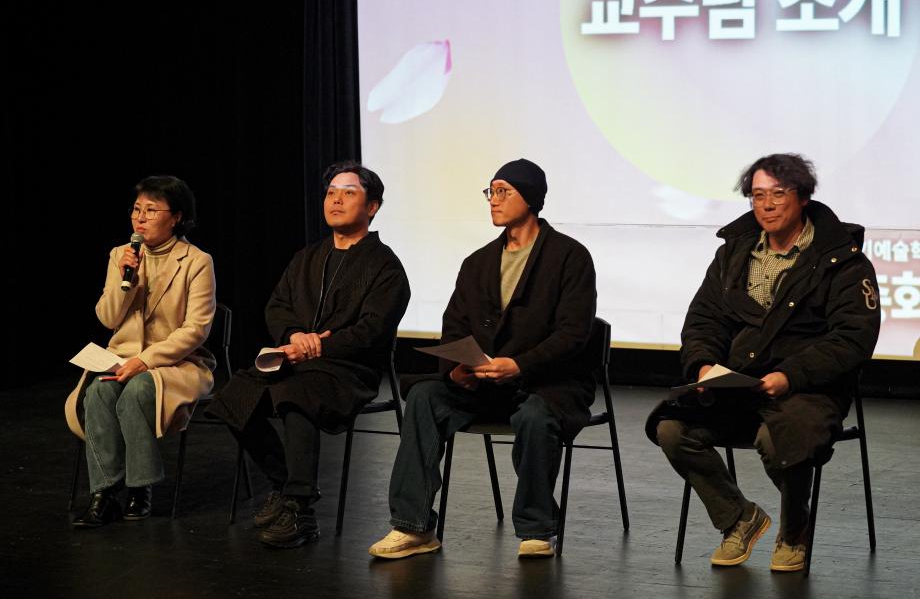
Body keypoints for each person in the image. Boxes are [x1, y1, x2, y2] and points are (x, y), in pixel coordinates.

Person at [646, 153, 881, 572]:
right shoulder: (734, 254)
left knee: (780, 439)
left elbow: (852, 338)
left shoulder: (841, 259)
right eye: (757, 196)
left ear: (803, 197)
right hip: (738, 386)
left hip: (807, 388)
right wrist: (703, 366)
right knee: (672, 429)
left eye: (778, 194)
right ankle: (739, 517)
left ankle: (794, 530)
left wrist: (790, 375)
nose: (767, 205)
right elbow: (703, 320)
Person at [370, 158, 597, 560]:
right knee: (424, 397)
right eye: (490, 191)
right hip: (484, 385)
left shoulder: (569, 257)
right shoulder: (477, 262)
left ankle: (537, 527)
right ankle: (413, 526)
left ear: (530, 197)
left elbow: (573, 333)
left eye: (503, 191)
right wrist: (457, 371)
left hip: (545, 383)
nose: (493, 199)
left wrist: (519, 365)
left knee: (535, 416)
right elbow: (455, 326)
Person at [206, 161, 410, 548]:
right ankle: (285, 485)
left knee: (295, 393)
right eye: (331, 193)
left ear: (372, 207)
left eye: (348, 193)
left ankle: (301, 511)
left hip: (348, 368)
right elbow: (277, 307)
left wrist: (320, 345)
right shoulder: (307, 257)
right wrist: (295, 335)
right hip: (295, 359)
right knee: (234, 397)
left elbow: (372, 329)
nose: (336, 200)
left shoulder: (385, 266)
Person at [66, 176, 216, 527]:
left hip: (177, 364)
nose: (140, 218)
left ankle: (140, 488)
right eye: (136, 210)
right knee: (98, 393)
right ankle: (104, 494)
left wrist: (145, 361)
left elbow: (196, 328)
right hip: (120, 358)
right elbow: (107, 318)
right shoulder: (121, 255)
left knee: (137, 390)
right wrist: (127, 283)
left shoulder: (196, 261)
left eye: (151, 210)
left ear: (176, 217)